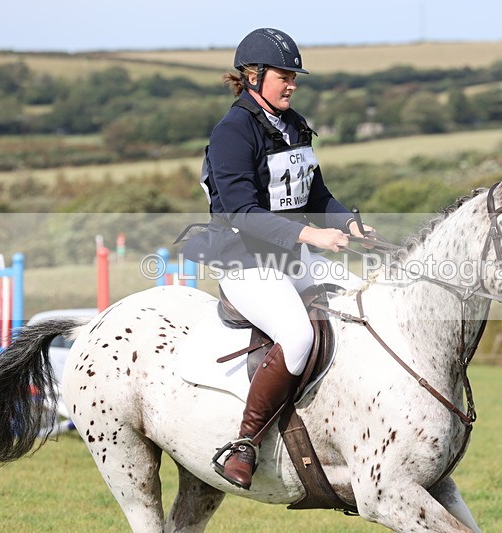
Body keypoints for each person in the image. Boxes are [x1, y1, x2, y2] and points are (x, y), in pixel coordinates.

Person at [180, 27, 375, 490]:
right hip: (245, 262)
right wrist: (312, 234)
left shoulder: (294, 125)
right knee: (297, 334)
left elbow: (317, 194)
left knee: (361, 303)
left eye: (294, 77)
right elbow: (242, 212)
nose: (291, 84)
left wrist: (350, 224)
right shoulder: (232, 131)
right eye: (283, 76)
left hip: (294, 254)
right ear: (253, 75)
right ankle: (244, 443)